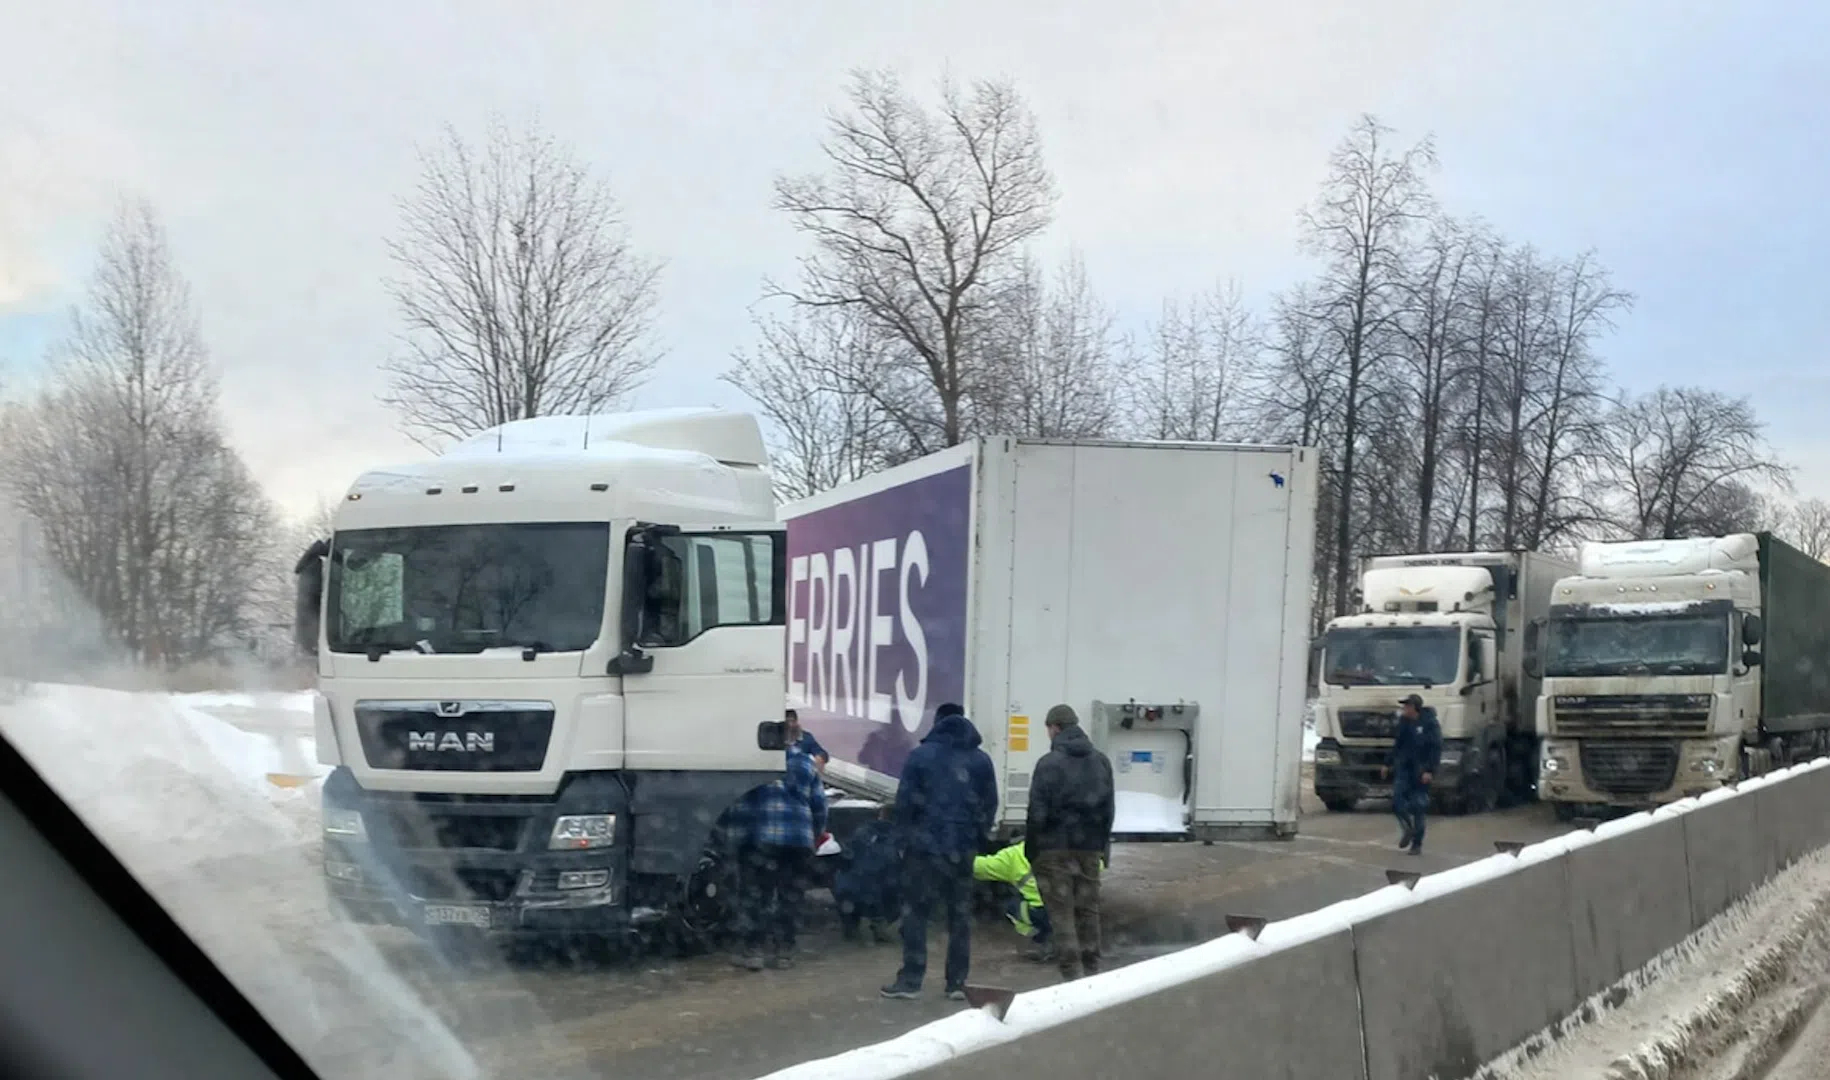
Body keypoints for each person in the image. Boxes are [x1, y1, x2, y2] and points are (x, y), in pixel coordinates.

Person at [880, 702, 998, 1002]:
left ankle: (911, 980)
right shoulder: (981, 760)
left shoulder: (920, 757)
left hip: (925, 850)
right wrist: (976, 837)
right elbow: (990, 804)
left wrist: (902, 842)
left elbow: (905, 804)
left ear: (937, 723)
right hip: (962, 850)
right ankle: (956, 983)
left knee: (917, 913)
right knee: (959, 917)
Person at [1025, 703, 1115, 982]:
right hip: (1089, 847)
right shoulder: (1101, 761)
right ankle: (1092, 970)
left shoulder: (1048, 764)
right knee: (1088, 909)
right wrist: (1102, 848)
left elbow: (1036, 812)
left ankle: (1072, 974)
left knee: (1061, 912)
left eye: (1048, 729)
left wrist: (1033, 850)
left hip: (1054, 849)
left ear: (1055, 728)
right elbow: (1108, 809)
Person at [731, 743, 828, 971]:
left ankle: (754, 950)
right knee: (791, 897)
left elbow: (740, 805)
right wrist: (814, 835)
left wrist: (735, 838)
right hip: (797, 840)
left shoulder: (753, 763)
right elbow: (819, 804)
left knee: (756, 895)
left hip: (760, 840)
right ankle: (784, 950)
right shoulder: (805, 762)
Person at [972, 840, 1055, 962]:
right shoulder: (1069, 848)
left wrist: (953, 856)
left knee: (1009, 903)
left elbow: (980, 867)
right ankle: (1070, 942)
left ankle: (1041, 939)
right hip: (1073, 910)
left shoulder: (1014, 854)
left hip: (1043, 913)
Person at [832, 805, 901, 944]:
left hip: (849, 889)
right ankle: (879, 925)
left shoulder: (862, 832)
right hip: (880, 891)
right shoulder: (899, 838)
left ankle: (851, 927)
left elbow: (846, 856)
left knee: (848, 890)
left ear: (880, 816)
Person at [1384, 694, 1442, 856]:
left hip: (1422, 770)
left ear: (1415, 707)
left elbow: (1436, 748)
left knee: (1418, 806)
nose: (1404, 709)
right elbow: (1398, 744)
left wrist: (1430, 770)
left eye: (1407, 706)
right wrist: (1387, 763)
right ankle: (1407, 829)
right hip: (1404, 768)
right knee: (1396, 801)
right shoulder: (1404, 723)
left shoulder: (1430, 724)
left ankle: (1417, 844)